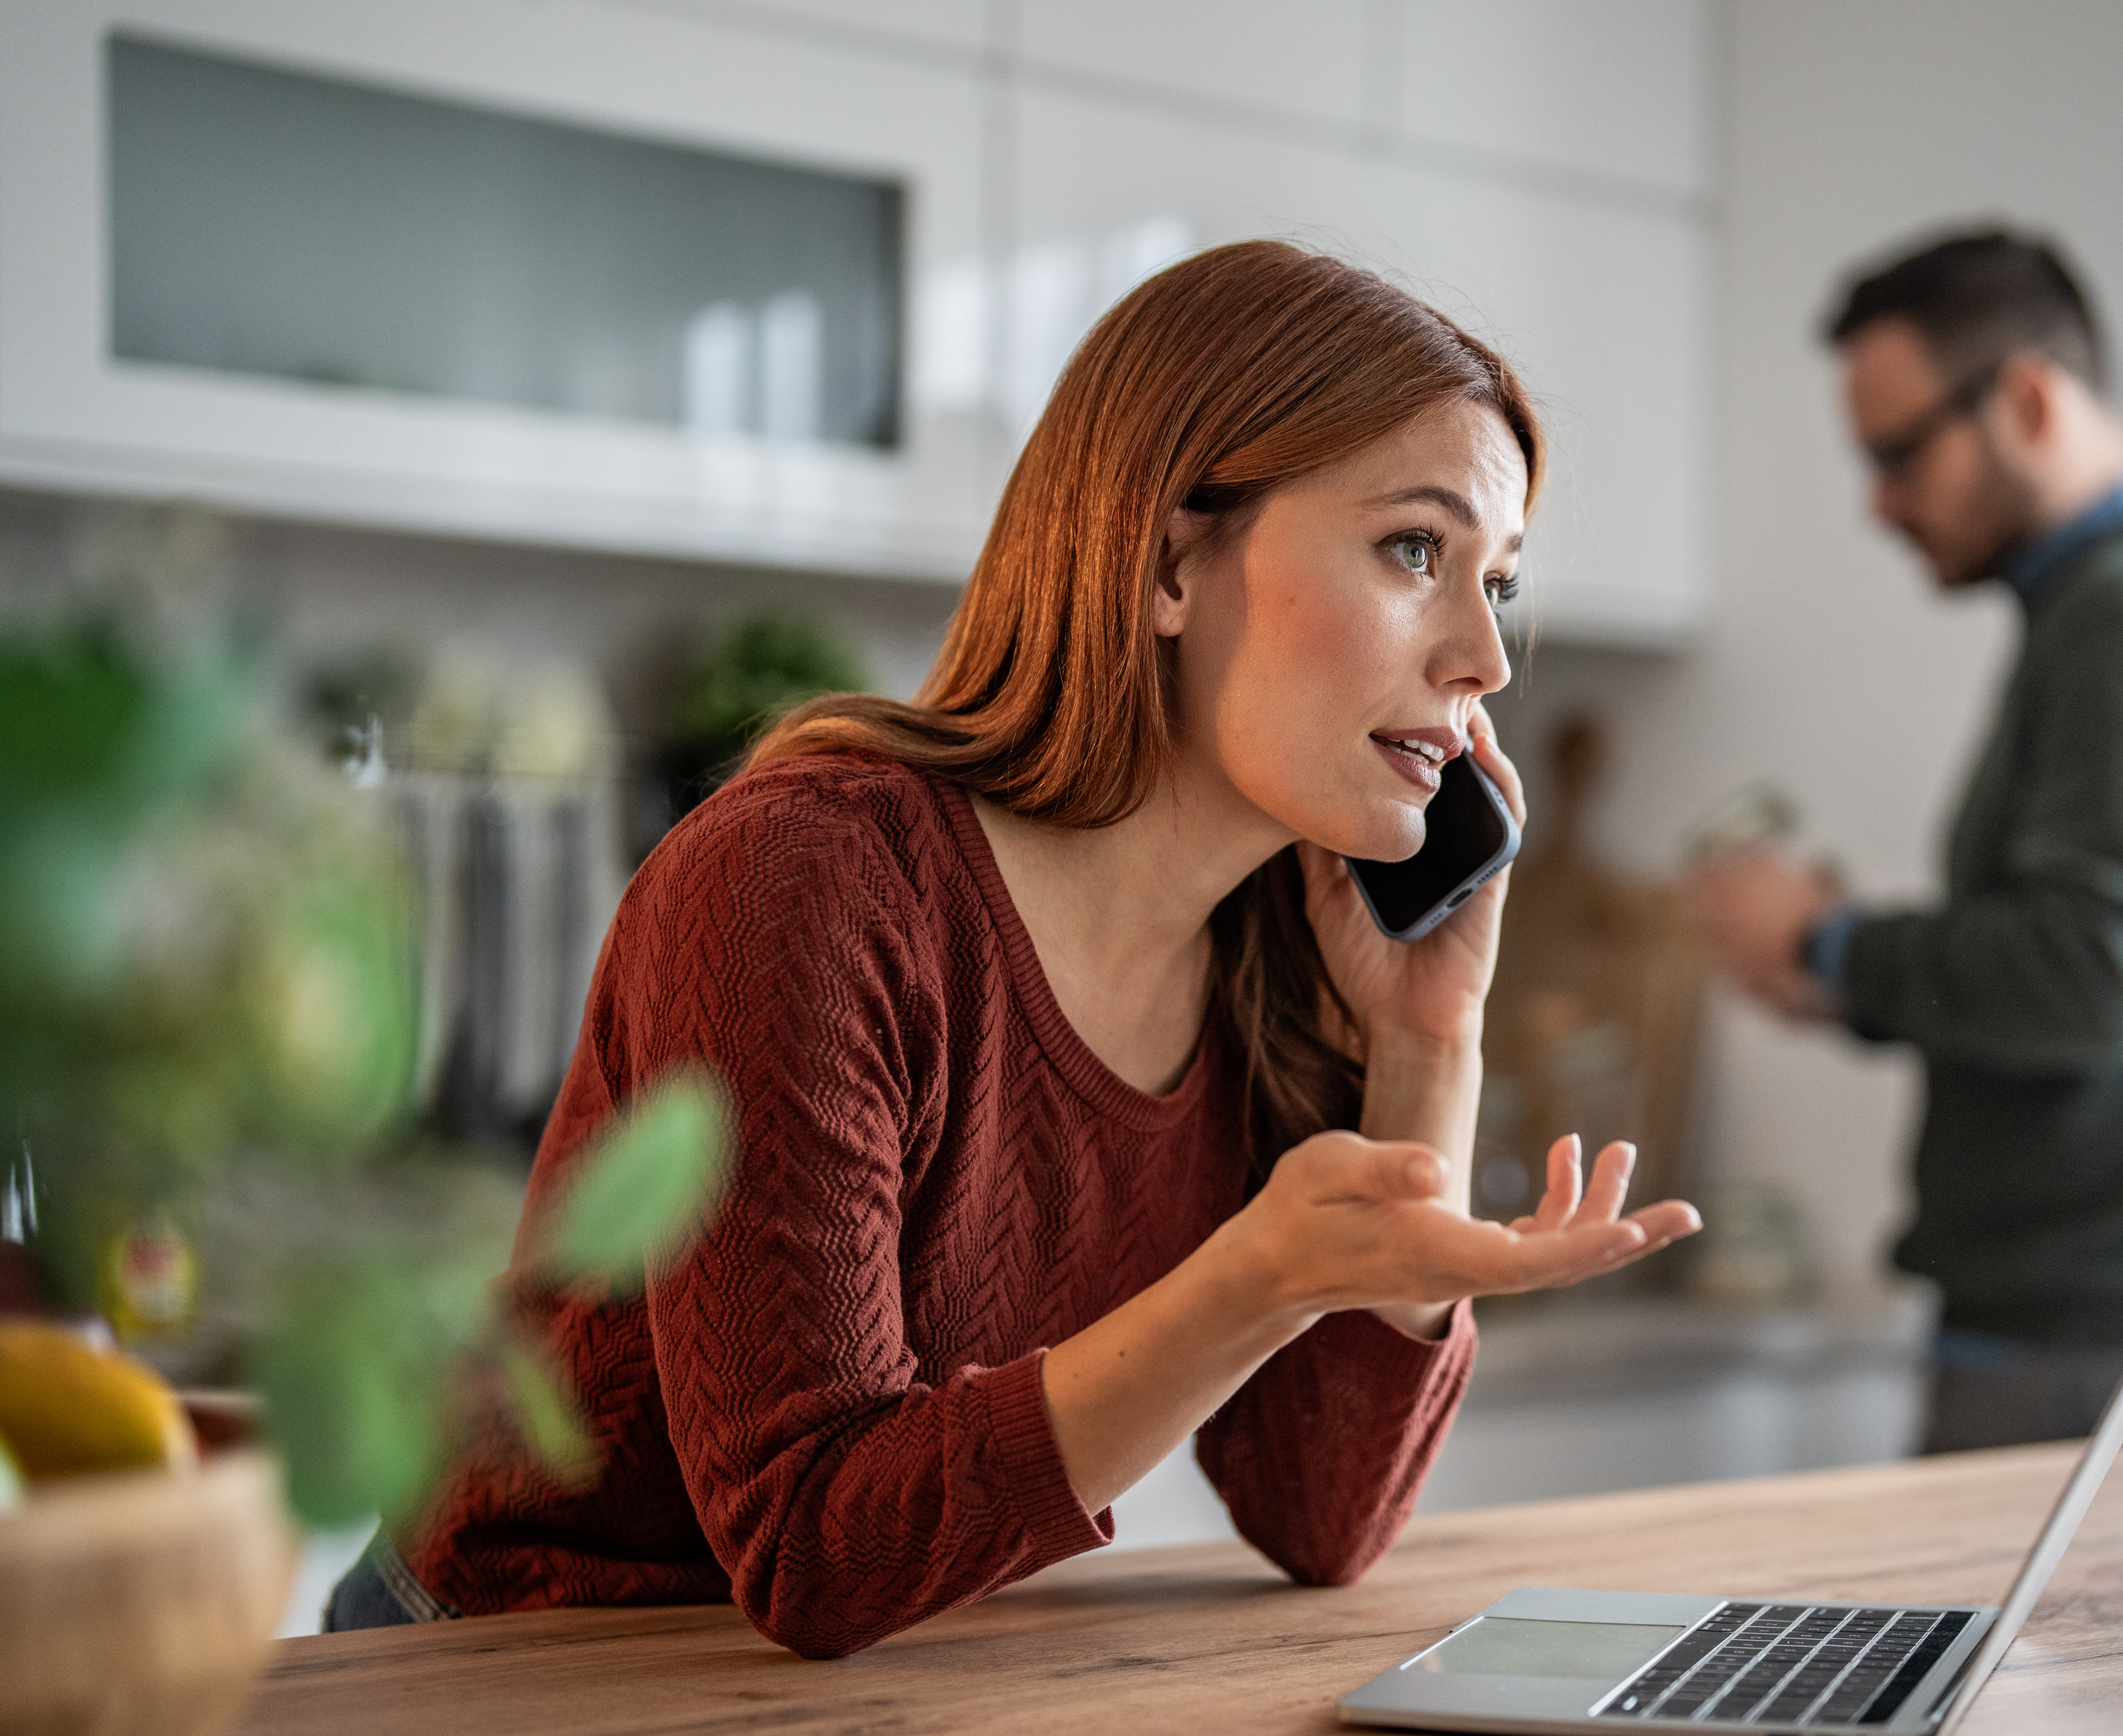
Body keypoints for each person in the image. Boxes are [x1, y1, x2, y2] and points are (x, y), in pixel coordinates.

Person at [330, 242, 1699, 1654]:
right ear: (1172, 562)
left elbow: (1323, 1515)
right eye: (1417, 550)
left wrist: (1426, 1043)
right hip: (504, 1664)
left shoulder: (1281, 956)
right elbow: (810, 1546)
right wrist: (1256, 1277)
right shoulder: (808, 877)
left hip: (851, 1695)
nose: (1489, 657)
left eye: (1502, 579)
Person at [1690, 227, 2123, 1453]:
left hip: (2110, 1360)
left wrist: (1830, 945)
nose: (1877, 502)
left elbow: (2101, 976)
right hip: (2116, 1348)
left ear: (2028, 399)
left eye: (1899, 454)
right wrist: (1852, 981)